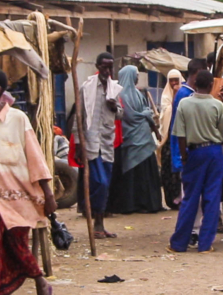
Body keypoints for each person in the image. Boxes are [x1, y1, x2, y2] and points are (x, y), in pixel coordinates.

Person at [0, 68, 55, 295]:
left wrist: (49, 194)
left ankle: (39, 280)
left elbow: (35, 156)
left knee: (16, 247)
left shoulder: (17, 119)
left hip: (17, 198)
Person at [167, 71, 223, 253]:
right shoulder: (217, 105)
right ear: (211, 85)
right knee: (212, 198)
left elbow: (180, 134)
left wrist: (184, 157)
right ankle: (205, 243)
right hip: (214, 152)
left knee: (190, 198)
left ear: (194, 84)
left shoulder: (184, 104)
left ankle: (179, 243)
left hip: (194, 152)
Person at [73, 53, 123, 239]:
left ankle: (99, 224)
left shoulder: (114, 89)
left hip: (107, 143)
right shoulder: (86, 88)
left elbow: (120, 115)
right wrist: (78, 143)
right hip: (91, 142)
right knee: (99, 183)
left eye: (110, 67)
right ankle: (94, 218)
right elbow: (78, 116)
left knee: (106, 184)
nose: (108, 71)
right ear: (97, 66)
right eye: (104, 67)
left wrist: (114, 107)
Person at [109, 66, 163, 214]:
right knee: (133, 173)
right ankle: (133, 204)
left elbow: (145, 113)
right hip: (131, 138)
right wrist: (146, 113)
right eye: (136, 75)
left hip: (144, 138)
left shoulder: (138, 93)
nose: (137, 78)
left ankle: (148, 203)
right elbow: (131, 116)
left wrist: (152, 124)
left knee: (146, 172)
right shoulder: (121, 94)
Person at [169, 58, 208, 245]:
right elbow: (180, 130)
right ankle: (191, 231)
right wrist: (181, 156)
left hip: (189, 151)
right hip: (189, 151)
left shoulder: (187, 94)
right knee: (192, 195)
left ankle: (194, 230)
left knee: (194, 194)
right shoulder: (186, 96)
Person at [158, 69, 184, 209]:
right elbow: (167, 111)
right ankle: (171, 199)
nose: (174, 83)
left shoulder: (185, 94)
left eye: (176, 79)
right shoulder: (165, 96)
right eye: (171, 80)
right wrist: (174, 96)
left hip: (181, 138)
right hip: (168, 139)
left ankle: (181, 199)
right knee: (168, 169)